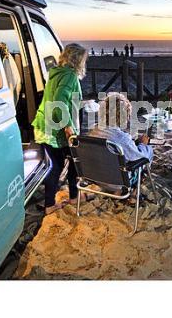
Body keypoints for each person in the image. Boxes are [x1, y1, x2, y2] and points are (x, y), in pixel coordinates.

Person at [31, 43, 88, 215]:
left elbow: (62, 99)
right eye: (84, 59)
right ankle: (70, 198)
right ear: (77, 60)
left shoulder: (56, 73)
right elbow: (59, 103)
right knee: (70, 163)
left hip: (45, 125)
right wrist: (68, 127)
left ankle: (59, 200)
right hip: (57, 129)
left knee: (56, 165)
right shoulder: (70, 76)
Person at [89, 92, 153, 164]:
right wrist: (143, 144)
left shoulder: (94, 131)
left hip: (96, 171)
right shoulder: (122, 139)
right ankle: (144, 173)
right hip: (115, 173)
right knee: (148, 150)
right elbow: (138, 156)